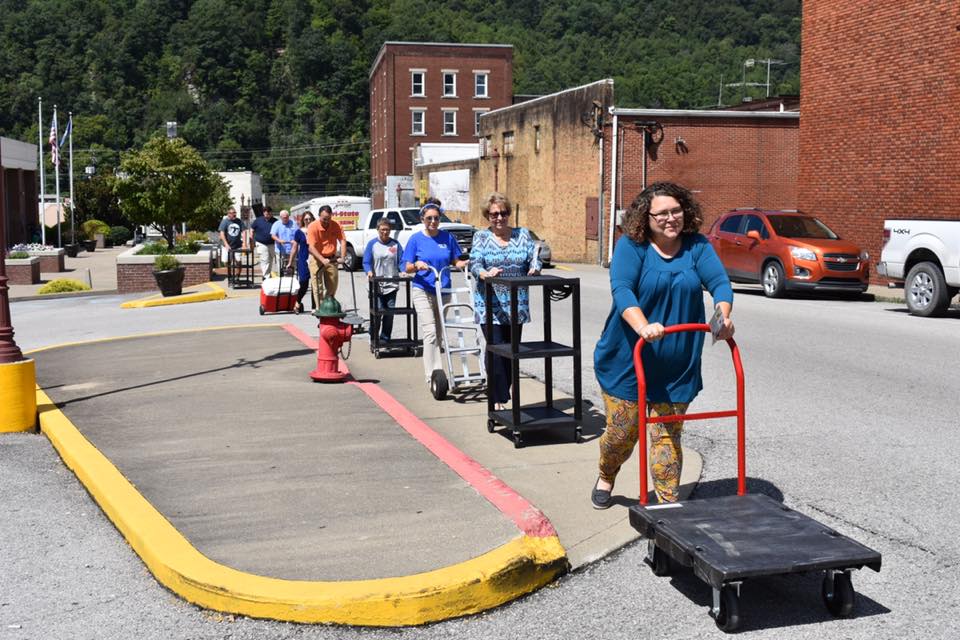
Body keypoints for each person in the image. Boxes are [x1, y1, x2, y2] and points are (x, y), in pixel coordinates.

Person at [591, 182, 735, 509]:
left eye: (676, 211)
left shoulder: (696, 246)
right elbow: (623, 289)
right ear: (646, 216)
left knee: (667, 438)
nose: (671, 219)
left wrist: (722, 317)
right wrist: (643, 326)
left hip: (676, 366)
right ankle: (606, 473)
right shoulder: (632, 246)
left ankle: (667, 511)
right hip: (628, 360)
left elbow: (719, 284)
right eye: (662, 213)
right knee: (622, 434)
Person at [469, 193, 541, 410]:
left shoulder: (523, 235)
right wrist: (485, 273)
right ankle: (498, 397)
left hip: (516, 305)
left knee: (511, 353)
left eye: (503, 213)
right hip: (489, 306)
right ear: (487, 216)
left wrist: (535, 268)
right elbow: (474, 264)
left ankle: (501, 391)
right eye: (494, 214)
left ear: (509, 213)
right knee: (496, 350)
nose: (499, 217)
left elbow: (534, 257)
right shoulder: (481, 237)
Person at [402, 202, 468, 385]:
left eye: (436, 218)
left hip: (443, 290)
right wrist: (416, 265)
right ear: (422, 219)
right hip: (422, 288)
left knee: (439, 333)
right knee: (430, 331)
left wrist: (464, 264)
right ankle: (432, 375)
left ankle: (437, 373)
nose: (433, 221)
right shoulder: (416, 239)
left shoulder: (447, 238)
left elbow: (456, 260)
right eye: (429, 218)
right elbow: (406, 266)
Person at [363, 218, 403, 344]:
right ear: (378, 230)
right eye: (382, 230)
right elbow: (366, 262)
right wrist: (369, 271)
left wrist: (403, 270)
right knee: (378, 312)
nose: (385, 232)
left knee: (389, 313)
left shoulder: (395, 244)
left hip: (392, 284)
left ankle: (385, 338)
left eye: (387, 230)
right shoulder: (372, 244)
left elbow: (401, 261)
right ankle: (373, 336)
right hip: (377, 285)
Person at [306, 205, 346, 302]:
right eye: (324, 219)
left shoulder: (336, 225)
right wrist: (322, 259)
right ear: (319, 216)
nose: (327, 221)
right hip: (317, 258)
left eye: (329, 218)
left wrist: (342, 257)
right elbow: (311, 247)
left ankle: (328, 304)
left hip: (331, 258)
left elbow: (342, 240)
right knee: (318, 287)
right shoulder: (313, 226)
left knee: (333, 286)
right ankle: (320, 309)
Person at [289, 211, 315, 313]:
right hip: (303, 259)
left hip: (314, 259)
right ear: (303, 220)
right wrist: (290, 262)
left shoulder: (316, 230)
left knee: (315, 284)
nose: (308, 221)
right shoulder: (299, 232)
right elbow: (294, 248)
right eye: (306, 219)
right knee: (303, 283)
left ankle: (314, 307)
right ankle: (298, 302)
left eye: (310, 219)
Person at [250, 206, 276, 278]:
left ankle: (267, 274)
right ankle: (266, 277)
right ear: (263, 213)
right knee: (265, 260)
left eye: (268, 214)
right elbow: (252, 229)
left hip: (272, 243)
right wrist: (251, 239)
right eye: (265, 214)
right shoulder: (258, 220)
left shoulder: (275, 221)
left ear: (271, 213)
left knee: (270, 260)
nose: (267, 215)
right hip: (261, 243)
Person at [270, 209, 298, 273]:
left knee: (291, 268)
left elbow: (298, 233)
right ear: (281, 217)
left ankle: (291, 279)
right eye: (284, 218)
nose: (286, 219)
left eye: (287, 217)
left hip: (292, 250)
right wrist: (279, 240)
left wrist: (295, 240)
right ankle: (281, 279)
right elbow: (273, 235)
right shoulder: (276, 224)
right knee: (281, 268)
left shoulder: (293, 223)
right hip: (280, 249)